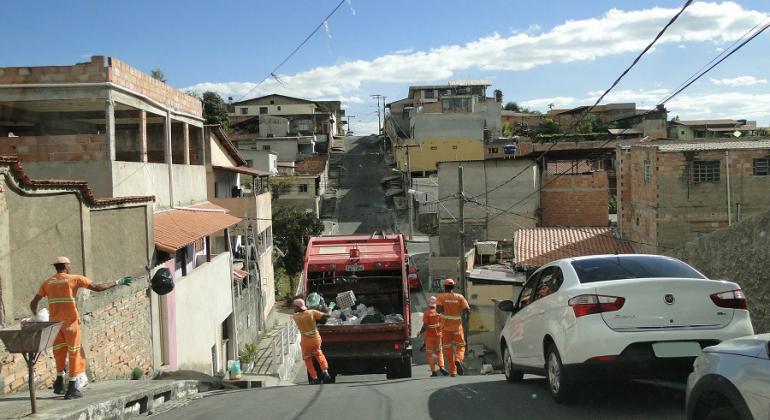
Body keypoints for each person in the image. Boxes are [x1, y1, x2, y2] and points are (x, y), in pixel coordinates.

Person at [29, 256, 133, 399]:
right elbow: (97, 287)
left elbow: (33, 303)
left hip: (55, 326)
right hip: (70, 324)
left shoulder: (47, 283)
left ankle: (59, 384)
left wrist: (36, 317)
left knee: (59, 353)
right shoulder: (74, 279)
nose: (70, 267)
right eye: (69, 265)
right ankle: (72, 388)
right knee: (74, 354)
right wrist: (118, 282)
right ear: (65, 266)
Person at [292, 297, 333, 384]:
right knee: (319, 354)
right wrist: (330, 308)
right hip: (315, 339)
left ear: (298, 307)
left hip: (305, 342)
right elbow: (327, 316)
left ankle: (314, 378)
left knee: (307, 359)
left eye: (294, 306)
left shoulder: (295, 317)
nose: (293, 308)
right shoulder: (312, 312)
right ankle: (325, 372)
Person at [435, 278, 470, 377]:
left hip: (445, 328)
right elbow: (467, 310)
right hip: (457, 327)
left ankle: (453, 371)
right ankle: (458, 359)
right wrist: (466, 321)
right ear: (453, 287)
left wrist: (444, 309)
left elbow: (438, 310)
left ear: (444, 287)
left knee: (447, 349)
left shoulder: (441, 297)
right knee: (461, 346)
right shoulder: (460, 297)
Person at [418, 296, 449, 377]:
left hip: (429, 337)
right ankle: (441, 367)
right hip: (438, 336)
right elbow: (443, 323)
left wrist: (420, 332)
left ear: (429, 304)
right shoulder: (439, 313)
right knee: (439, 352)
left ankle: (433, 371)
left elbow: (425, 325)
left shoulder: (427, 313)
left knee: (430, 354)